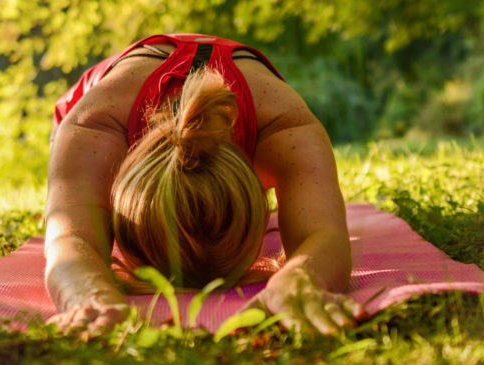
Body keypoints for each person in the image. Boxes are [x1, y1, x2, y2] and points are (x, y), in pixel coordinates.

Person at [44, 34, 364, 336]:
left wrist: (302, 278)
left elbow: (325, 236)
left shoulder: (283, 125)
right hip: (103, 107)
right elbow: (68, 240)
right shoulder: (95, 124)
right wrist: (87, 293)